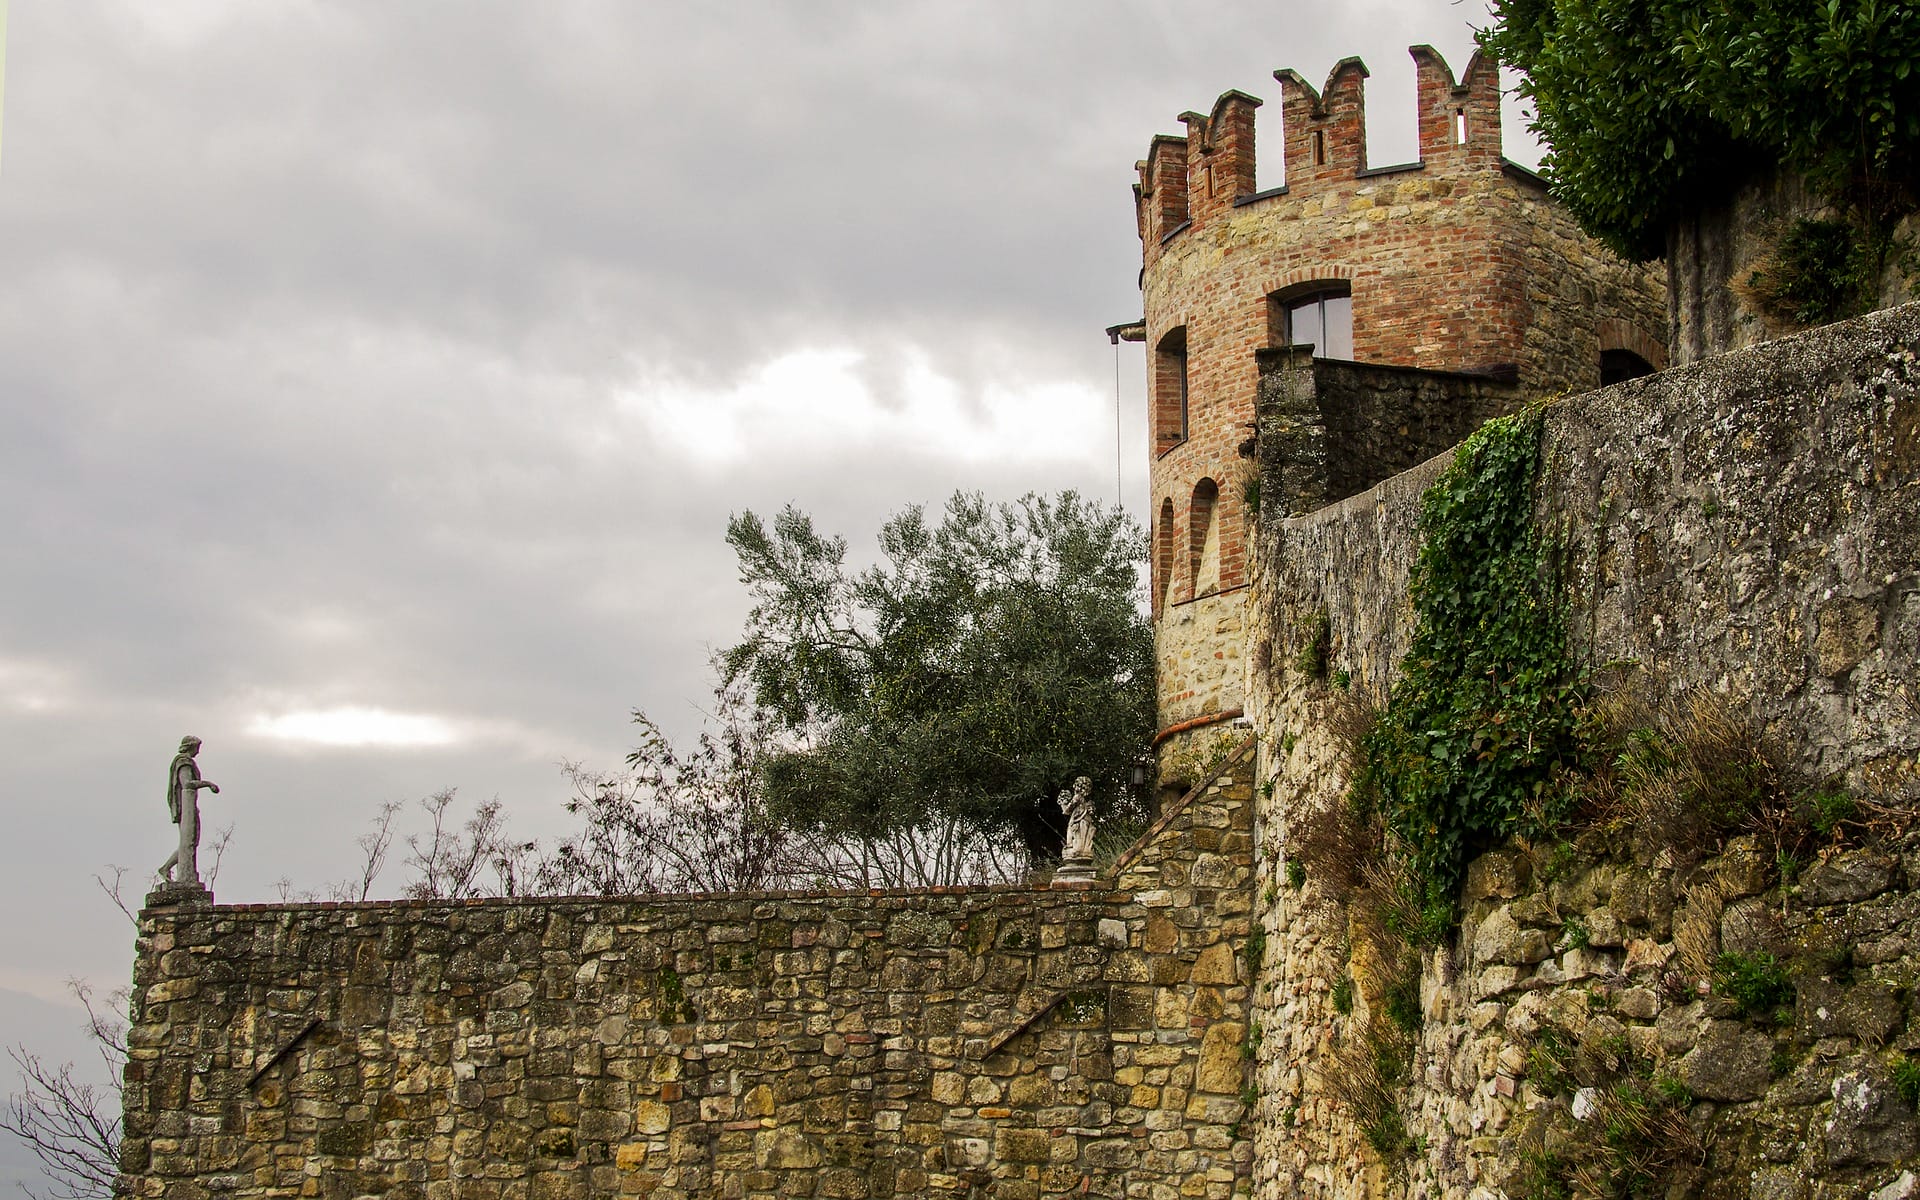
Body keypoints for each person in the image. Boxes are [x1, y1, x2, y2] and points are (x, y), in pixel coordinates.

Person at [157, 735, 221, 886]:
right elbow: (187, 783)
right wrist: (208, 784)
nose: (198, 752)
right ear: (190, 746)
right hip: (186, 808)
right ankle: (170, 869)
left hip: (189, 806)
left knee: (191, 841)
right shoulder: (184, 762)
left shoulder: (185, 761)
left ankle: (172, 870)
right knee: (189, 841)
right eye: (197, 748)